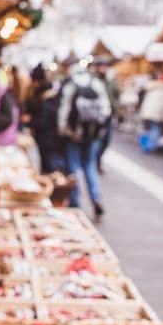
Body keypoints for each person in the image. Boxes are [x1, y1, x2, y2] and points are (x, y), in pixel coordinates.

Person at [57, 60, 111, 218]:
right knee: (90, 165)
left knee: (73, 167)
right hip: (93, 134)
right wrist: (99, 130)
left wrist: (63, 131)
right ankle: (96, 198)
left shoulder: (70, 85)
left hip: (72, 134)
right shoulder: (96, 83)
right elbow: (106, 111)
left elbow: (64, 110)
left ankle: (75, 201)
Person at [27, 64, 64, 173]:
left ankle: (59, 187)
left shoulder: (46, 97)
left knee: (52, 168)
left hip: (48, 139)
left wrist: (31, 121)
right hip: (51, 138)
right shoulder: (50, 93)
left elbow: (44, 120)